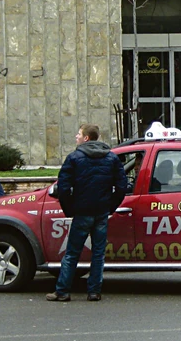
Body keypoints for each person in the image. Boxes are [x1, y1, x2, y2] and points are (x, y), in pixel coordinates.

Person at [46, 124, 128, 303]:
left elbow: (64, 187)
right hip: (101, 212)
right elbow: (122, 186)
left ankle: (62, 291)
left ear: (86, 138)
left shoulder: (74, 158)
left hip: (82, 212)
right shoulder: (111, 158)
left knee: (72, 252)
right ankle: (94, 291)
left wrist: (70, 209)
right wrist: (110, 206)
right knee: (98, 253)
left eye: (78, 134)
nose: (76, 136)